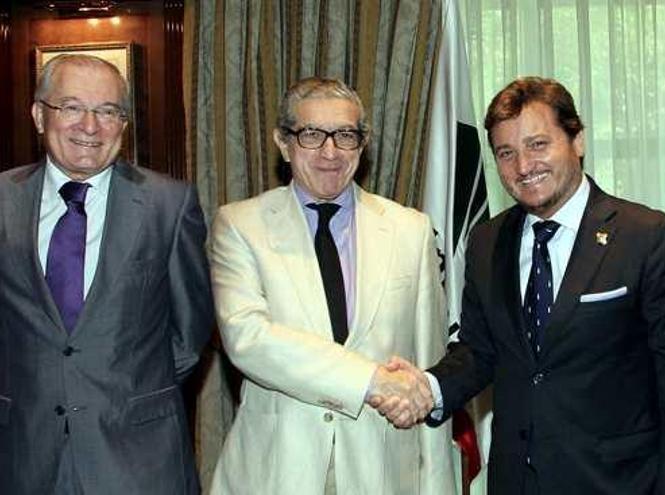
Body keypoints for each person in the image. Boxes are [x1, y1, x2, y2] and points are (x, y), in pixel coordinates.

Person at [379, 76, 665, 494]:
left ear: (578, 141)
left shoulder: (647, 236)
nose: (523, 166)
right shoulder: (487, 243)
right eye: (506, 153)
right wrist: (427, 388)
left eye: (538, 145)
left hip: (619, 484)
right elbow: (479, 351)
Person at [208, 77, 455, 494]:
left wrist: (438, 484)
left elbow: (426, 368)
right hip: (278, 472)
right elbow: (248, 339)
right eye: (311, 135)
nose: (330, 152)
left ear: (363, 143)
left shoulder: (410, 230)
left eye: (345, 135)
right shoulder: (239, 225)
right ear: (283, 143)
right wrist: (373, 380)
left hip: (383, 473)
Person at [0, 54, 214, 494]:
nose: (90, 126)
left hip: (138, 456)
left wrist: (124, 392)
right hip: (23, 452)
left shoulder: (169, 206)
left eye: (108, 111)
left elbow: (190, 333)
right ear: (40, 115)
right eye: (72, 107)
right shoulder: (2, 199)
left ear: (123, 124)